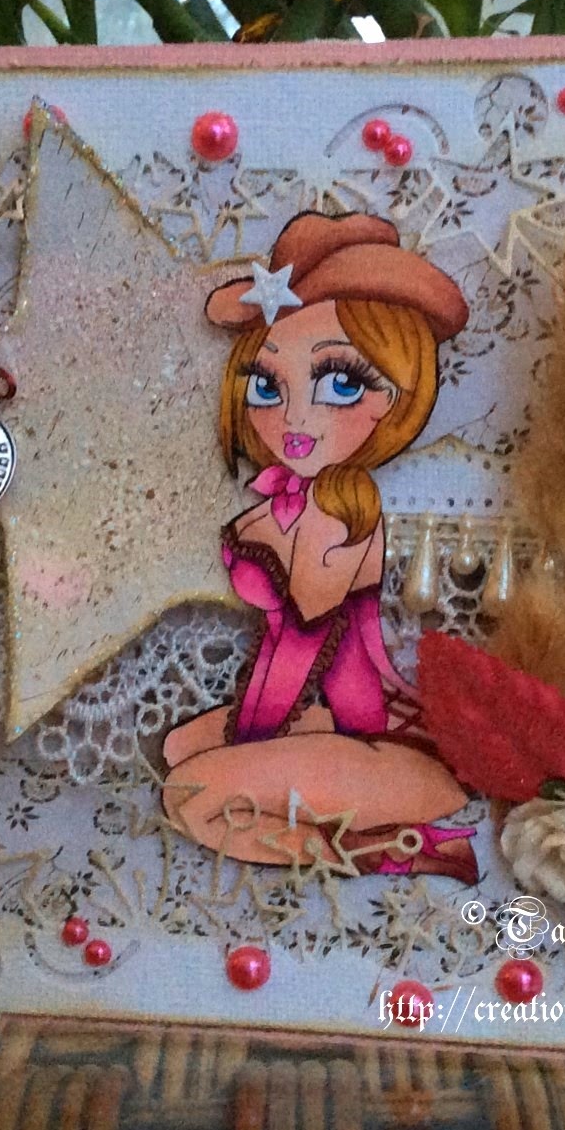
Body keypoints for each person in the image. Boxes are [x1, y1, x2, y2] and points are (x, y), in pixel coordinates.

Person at [161, 212, 479, 885]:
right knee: (177, 747)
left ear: (397, 391)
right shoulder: (295, 500)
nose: (294, 419)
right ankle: (363, 826)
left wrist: (251, 743)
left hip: (371, 740)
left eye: (339, 382)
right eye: (267, 385)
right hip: (330, 723)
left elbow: (294, 655)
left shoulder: (338, 516)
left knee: (189, 797)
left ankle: (396, 848)